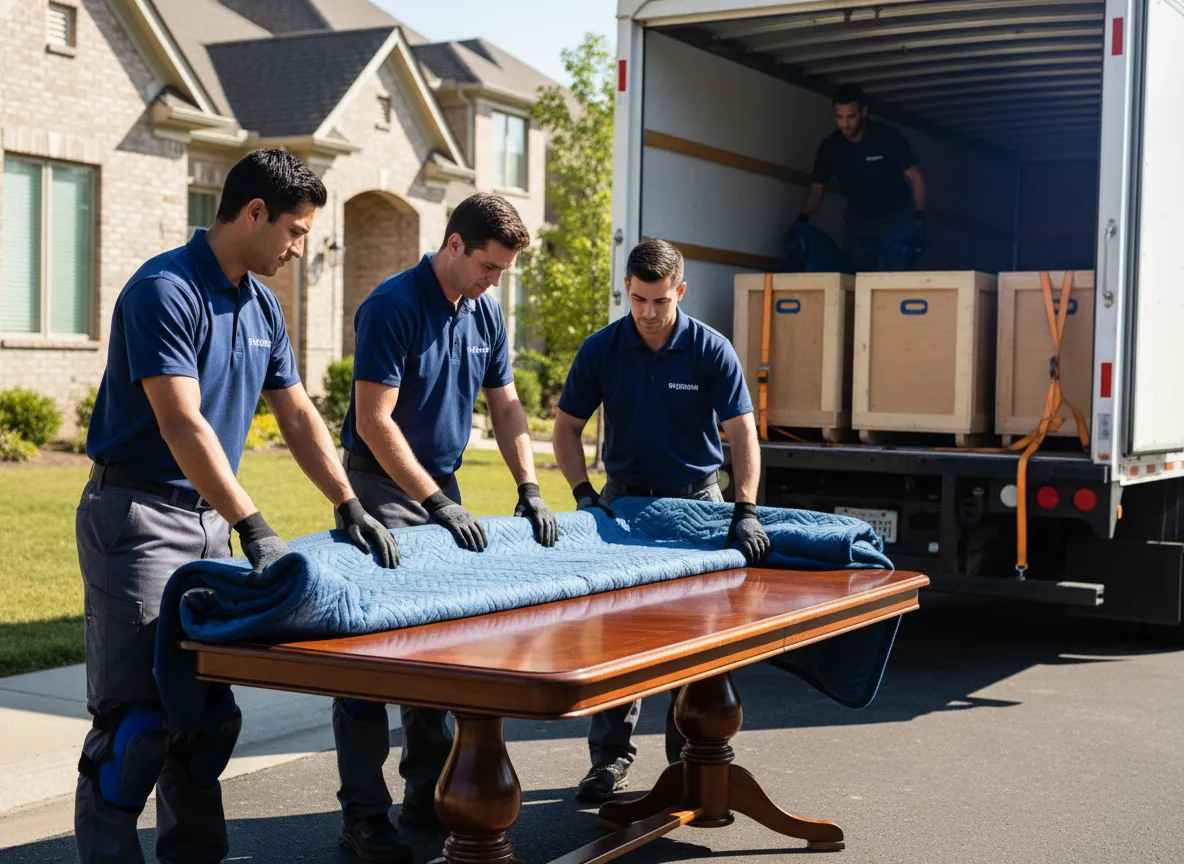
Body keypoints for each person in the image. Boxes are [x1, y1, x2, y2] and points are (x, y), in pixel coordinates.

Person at [76, 149, 398, 864]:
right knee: (135, 729)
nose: (299, 247)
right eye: (296, 230)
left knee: (204, 720)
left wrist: (348, 502)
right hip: (137, 516)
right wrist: (254, 526)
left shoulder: (262, 305)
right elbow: (180, 422)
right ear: (254, 212)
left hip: (206, 522)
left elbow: (298, 414)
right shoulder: (164, 290)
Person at [331, 192, 559, 859]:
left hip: (440, 491)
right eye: (489, 266)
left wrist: (529, 487)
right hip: (380, 490)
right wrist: (436, 503)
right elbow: (374, 420)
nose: (495, 281)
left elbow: (507, 407)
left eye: (503, 272)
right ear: (454, 244)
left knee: (434, 653)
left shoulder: (484, 312)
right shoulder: (393, 305)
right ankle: (362, 815)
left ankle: (425, 795)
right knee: (369, 659)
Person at [551, 237, 771, 803]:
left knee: (697, 638)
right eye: (639, 299)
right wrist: (584, 494)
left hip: (697, 505)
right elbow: (567, 427)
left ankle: (689, 761)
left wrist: (744, 508)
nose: (648, 313)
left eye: (660, 301)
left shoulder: (710, 349)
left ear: (681, 291)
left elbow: (742, 433)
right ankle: (609, 761)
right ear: (626, 288)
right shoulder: (602, 348)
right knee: (617, 638)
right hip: (623, 509)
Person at [798, 83, 928, 272]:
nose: (844, 124)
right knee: (855, 279)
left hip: (896, 218)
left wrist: (919, 217)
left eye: (851, 116)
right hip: (859, 222)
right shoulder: (831, 147)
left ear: (864, 112)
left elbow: (916, 177)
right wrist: (802, 219)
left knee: (898, 276)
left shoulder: (887, 137)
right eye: (839, 117)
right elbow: (817, 188)